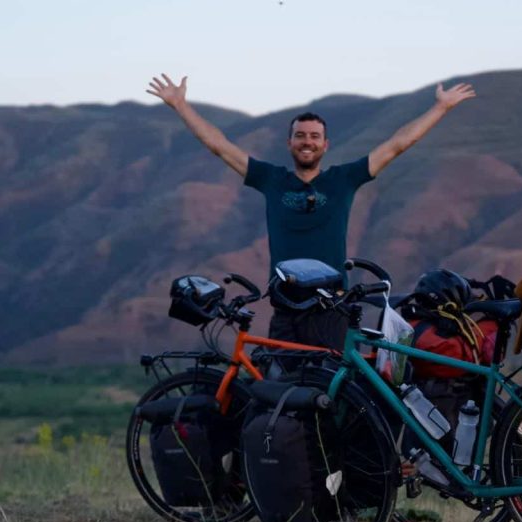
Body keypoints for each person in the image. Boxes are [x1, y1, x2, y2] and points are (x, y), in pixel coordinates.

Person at [147, 74, 475, 348]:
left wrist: (440, 107)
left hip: (332, 306)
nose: (308, 141)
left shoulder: (342, 180)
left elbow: (397, 144)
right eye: (300, 136)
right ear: (289, 143)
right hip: (286, 307)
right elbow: (220, 146)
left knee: (331, 395)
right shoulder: (272, 180)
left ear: (325, 145)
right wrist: (181, 106)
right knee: (280, 396)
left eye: (315, 136)